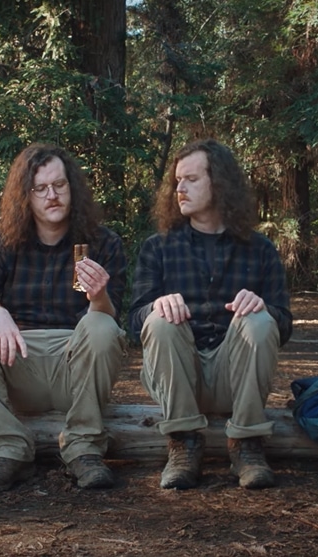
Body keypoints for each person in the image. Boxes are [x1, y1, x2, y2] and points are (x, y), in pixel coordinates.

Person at [0, 143, 127, 493]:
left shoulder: (104, 244)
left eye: (59, 185)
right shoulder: (6, 244)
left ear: (72, 188)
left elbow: (110, 319)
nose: (51, 195)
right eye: (40, 188)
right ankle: (8, 449)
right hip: (18, 363)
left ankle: (84, 448)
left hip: (75, 366)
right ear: (25, 196)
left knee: (102, 326)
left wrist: (98, 295)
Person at [127, 138, 293, 490]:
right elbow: (133, 323)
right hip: (178, 379)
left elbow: (284, 323)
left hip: (236, 379)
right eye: (176, 182)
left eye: (191, 179)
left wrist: (262, 307)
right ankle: (183, 443)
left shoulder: (260, 249)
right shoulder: (158, 247)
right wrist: (156, 306)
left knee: (260, 319)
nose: (180, 189)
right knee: (161, 319)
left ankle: (246, 444)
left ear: (219, 182)